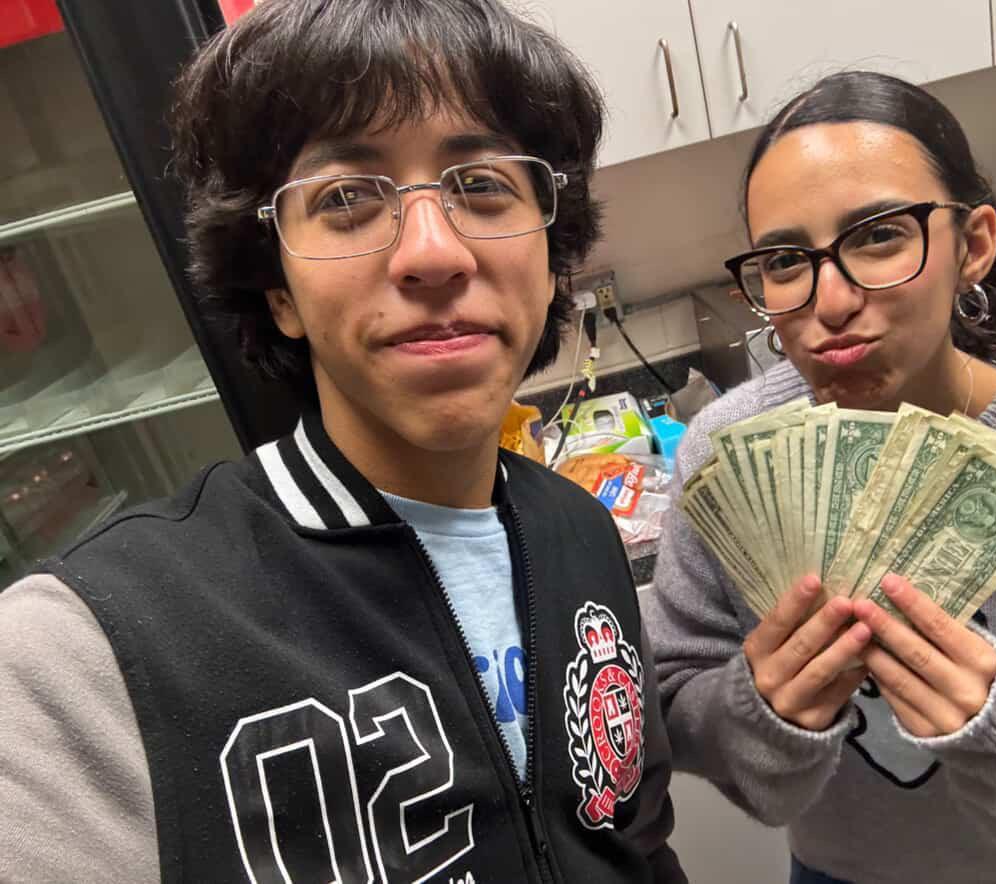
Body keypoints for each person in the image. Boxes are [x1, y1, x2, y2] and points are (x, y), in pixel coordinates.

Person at [0, 2, 685, 881]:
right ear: (278, 290)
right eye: (346, 199)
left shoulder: (579, 534)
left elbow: (636, 841)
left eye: (482, 185)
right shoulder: (87, 651)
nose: (433, 253)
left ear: (551, 259)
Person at [646, 71, 996, 884]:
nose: (829, 301)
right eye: (785, 260)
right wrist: (758, 713)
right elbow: (672, 695)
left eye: (878, 237)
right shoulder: (724, 450)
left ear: (973, 246)